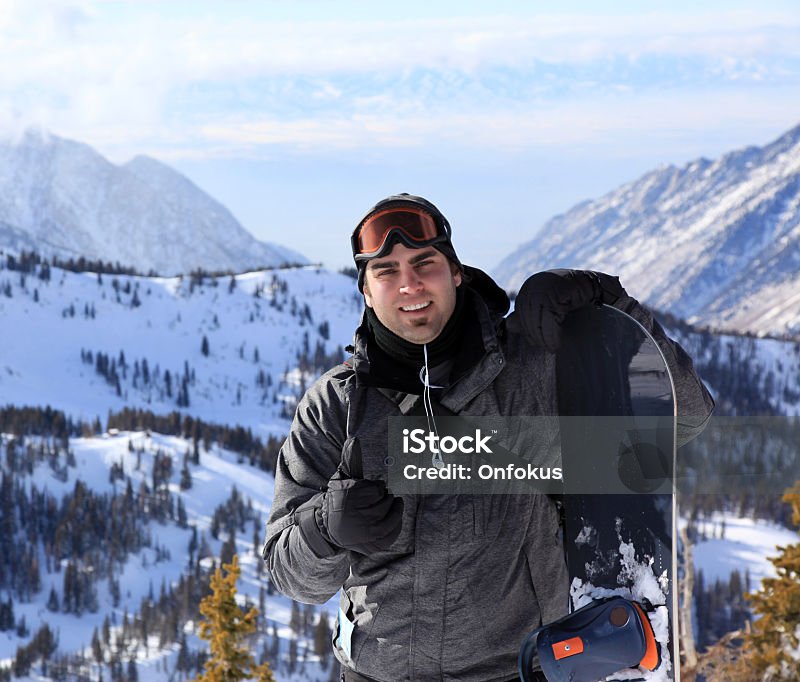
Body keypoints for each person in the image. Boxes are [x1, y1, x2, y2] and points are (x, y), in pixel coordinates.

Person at [262, 194, 714, 682]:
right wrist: (325, 528)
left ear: (456, 272)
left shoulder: (535, 367)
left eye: (424, 263)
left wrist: (607, 303)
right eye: (386, 271)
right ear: (367, 291)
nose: (409, 283)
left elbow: (684, 417)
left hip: (519, 670)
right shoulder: (337, 406)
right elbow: (293, 577)